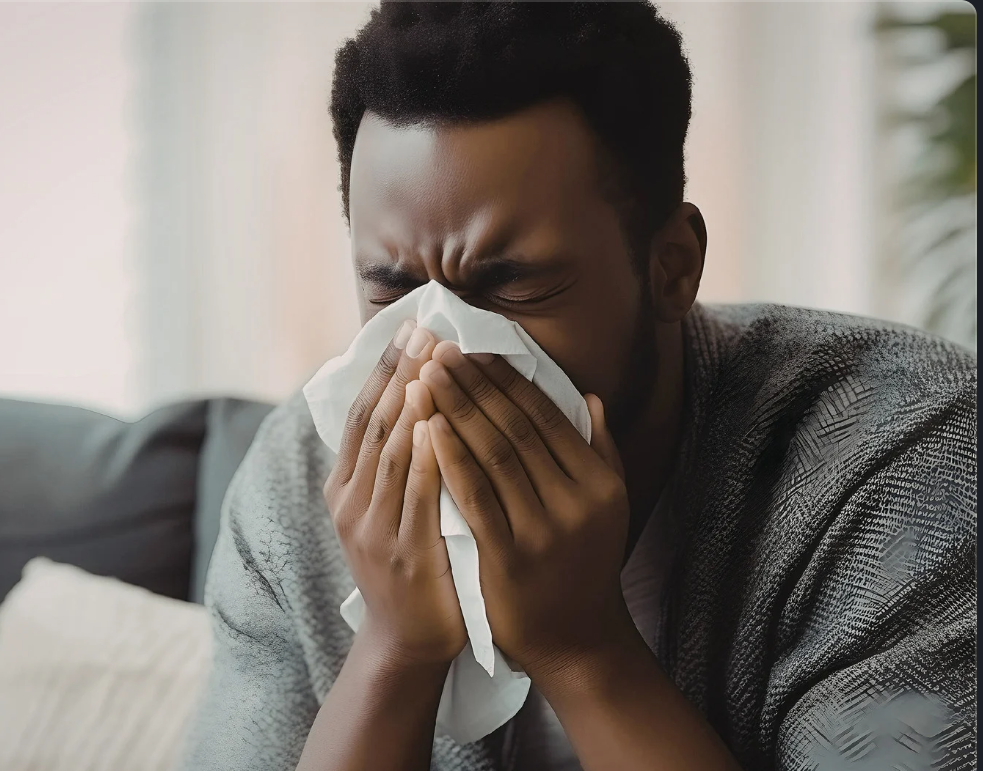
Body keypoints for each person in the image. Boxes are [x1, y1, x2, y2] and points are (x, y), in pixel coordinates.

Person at [179, 3, 977, 770]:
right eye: (392, 289)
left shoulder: (905, 456)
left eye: (514, 286)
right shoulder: (295, 485)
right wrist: (393, 649)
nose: (442, 353)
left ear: (670, 268)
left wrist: (582, 648)